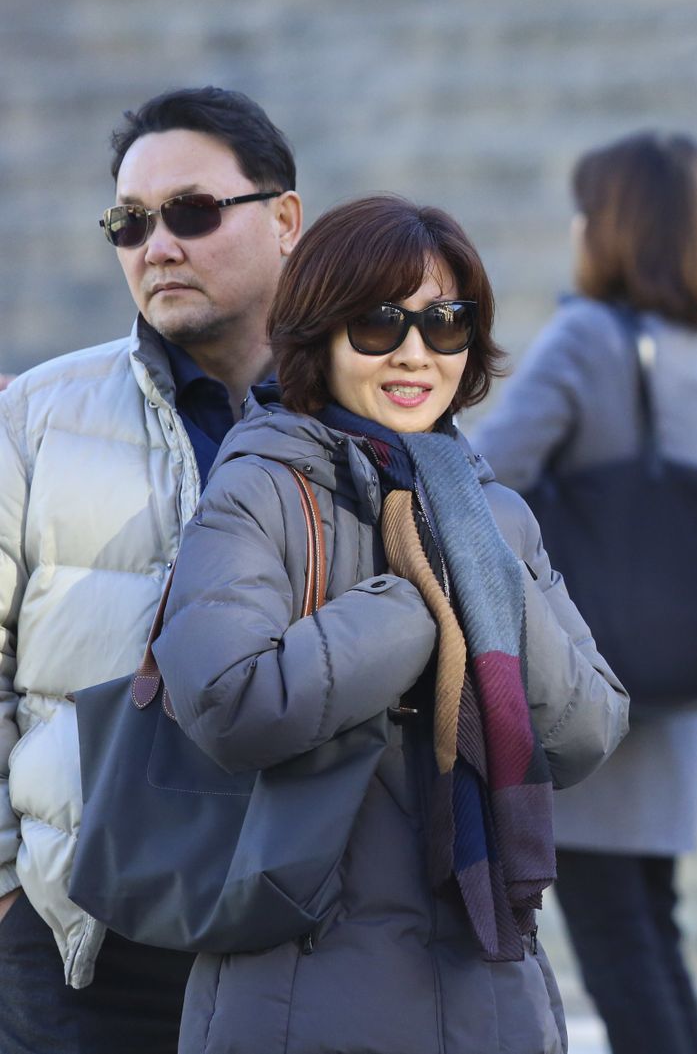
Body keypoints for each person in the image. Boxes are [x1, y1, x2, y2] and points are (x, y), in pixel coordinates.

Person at [149, 194, 629, 1053]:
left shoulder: (493, 513)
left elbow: (590, 728)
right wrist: (420, 598)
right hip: (300, 987)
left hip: (491, 986)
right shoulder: (259, 485)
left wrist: (484, 575)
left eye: (445, 323)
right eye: (379, 323)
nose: (415, 352)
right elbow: (228, 700)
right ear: (319, 335)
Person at [0, 86, 302, 1053]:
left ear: (284, 219)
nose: (157, 245)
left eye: (193, 211)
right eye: (130, 222)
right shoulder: (35, 415)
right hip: (76, 943)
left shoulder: (360, 423)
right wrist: (7, 887)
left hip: (299, 938)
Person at [472, 130, 697, 1054]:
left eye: (586, 212)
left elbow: (486, 473)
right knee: (650, 930)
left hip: (589, 678)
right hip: (674, 679)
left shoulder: (588, 339)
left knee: (615, 944)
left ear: (616, 227)